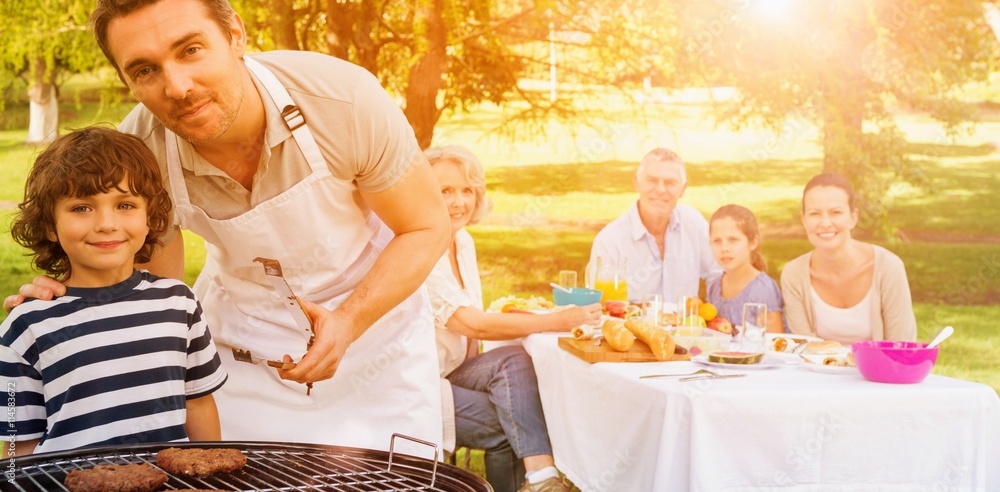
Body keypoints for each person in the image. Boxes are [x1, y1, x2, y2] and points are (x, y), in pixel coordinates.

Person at [5, 0, 450, 451]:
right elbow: (150, 297)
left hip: (376, 334)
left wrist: (350, 321)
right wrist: (70, 301)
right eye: (144, 70)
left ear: (235, 35)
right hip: (243, 348)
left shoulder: (343, 101)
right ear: (127, 82)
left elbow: (426, 227)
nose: (177, 87)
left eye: (191, 49)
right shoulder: (139, 156)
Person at [0, 127, 227, 457]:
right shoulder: (25, 326)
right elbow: (16, 442)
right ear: (50, 225)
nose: (106, 223)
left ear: (149, 217)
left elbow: (199, 404)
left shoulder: (179, 303)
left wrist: (215, 476)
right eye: (81, 208)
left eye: (125, 205)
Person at [425, 146, 596, 492]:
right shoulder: (423, 247)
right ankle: (543, 478)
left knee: (516, 360)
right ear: (425, 193)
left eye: (467, 190)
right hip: (419, 382)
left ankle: (540, 478)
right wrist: (557, 320)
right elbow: (472, 323)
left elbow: (475, 330)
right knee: (511, 423)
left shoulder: (462, 241)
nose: (459, 202)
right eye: (446, 191)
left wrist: (489, 378)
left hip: (455, 369)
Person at [781, 173, 917, 342]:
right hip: (817, 369)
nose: (825, 223)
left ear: (853, 218)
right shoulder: (793, 274)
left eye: (835, 212)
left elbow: (901, 344)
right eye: (814, 213)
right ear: (804, 220)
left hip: (880, 368)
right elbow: (803, 348)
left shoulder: (888, 267)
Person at [589, 147, 721, 304]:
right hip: (631, 327)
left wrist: (715, 312)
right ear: (637, 183)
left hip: (685, 327)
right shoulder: (609, 241)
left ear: (683, 189)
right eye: (652, 180)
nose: (660, 189)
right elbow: (602, 308)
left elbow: (719, 273)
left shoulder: (693, 222)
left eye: (670, 183)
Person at [706, 204, 785, 333]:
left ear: (753, 242)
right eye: (717, 241)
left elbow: (773, 342)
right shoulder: (714, 287)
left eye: (733, 240)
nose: (724, 248)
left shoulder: (762, 289)